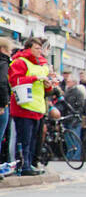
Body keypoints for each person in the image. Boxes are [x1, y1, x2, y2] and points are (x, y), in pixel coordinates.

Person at [7, 38, 52, 175]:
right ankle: (22, 166)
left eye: (40, 48)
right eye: (37, 48)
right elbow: (14, 81)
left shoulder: (42, 65)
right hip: (23, 106)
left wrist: (48, 86)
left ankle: (30, 164)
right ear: (28, 49)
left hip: (38, 107)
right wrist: (36, 78)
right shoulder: (20, 62)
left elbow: (44, 89)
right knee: (24, 140)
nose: (40, 51)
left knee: (33, 141)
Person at [0, 38, 13, 164]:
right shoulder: (3, 63)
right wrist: (3, 103)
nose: (10, 53)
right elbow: (3, 83)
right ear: (3, 50)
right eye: (9, 50)